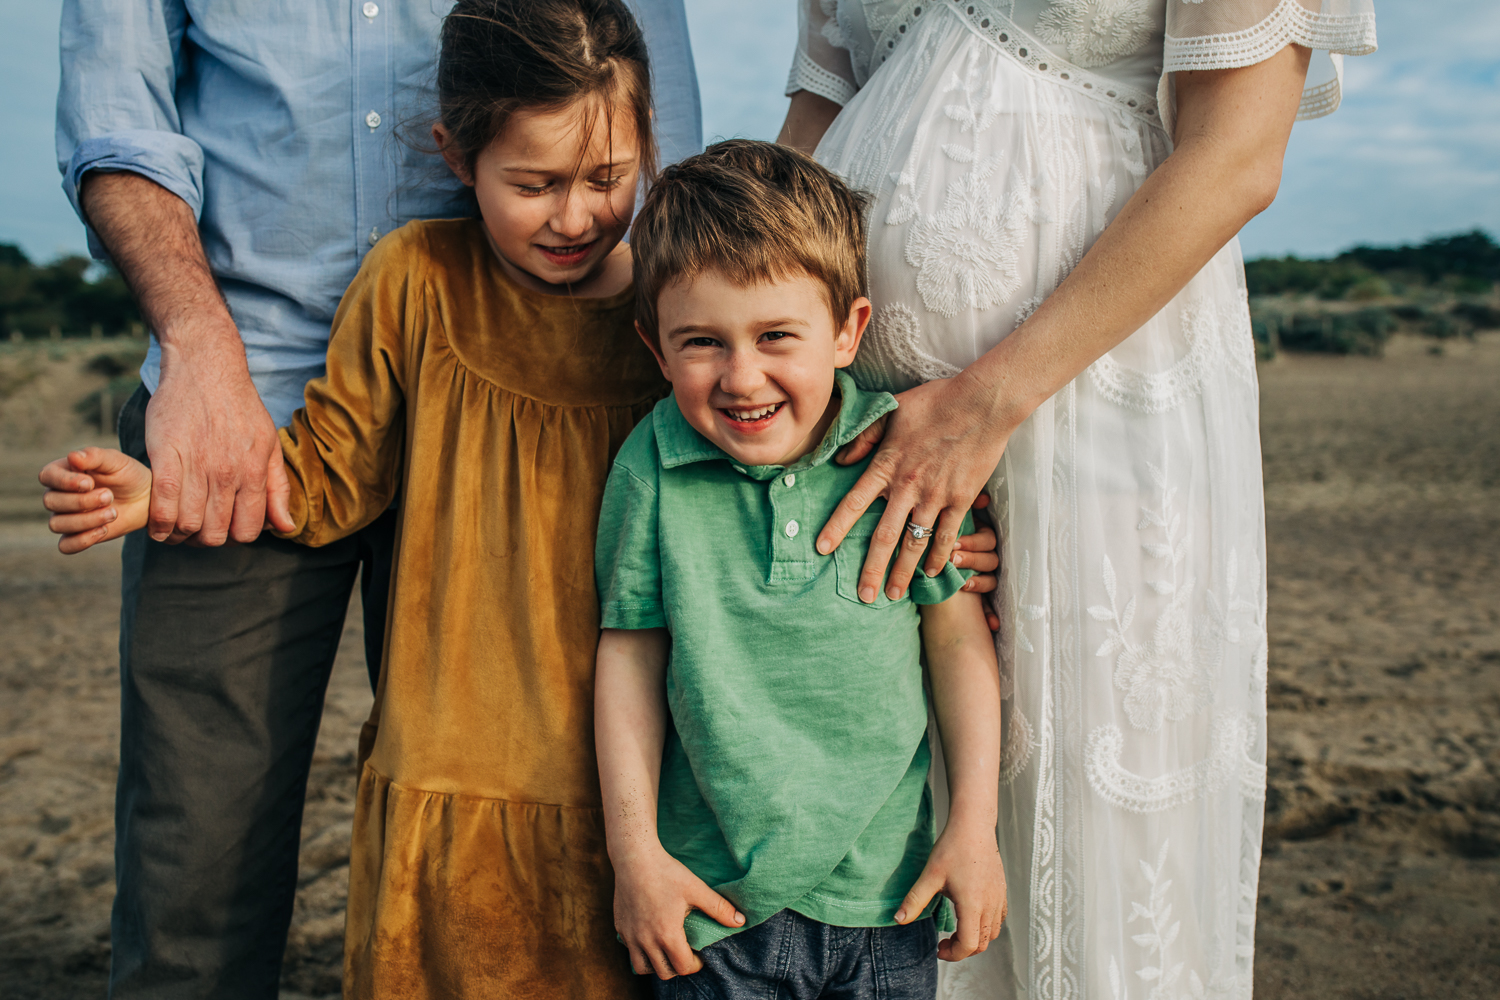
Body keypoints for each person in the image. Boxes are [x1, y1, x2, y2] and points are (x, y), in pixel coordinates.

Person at [53, 0, 700, 995]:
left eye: (595, 184)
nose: (575, 208)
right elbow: (117, 116)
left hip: (513, 411)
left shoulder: (596, 227)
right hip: (243, 402)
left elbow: (661, 141)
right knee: (196, 859)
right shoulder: (394, 285)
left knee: (563, 792)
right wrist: (199, 352)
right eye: (538, 184)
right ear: (452, 152)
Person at [777, 1, 1378, 997]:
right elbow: (814, 122)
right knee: (892, 835)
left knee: (1083, 838)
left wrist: (982, 405)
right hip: (863, 434)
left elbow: (1235, 152)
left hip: (1095, 406)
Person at [593, 139, 1007, 998]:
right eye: (702, 342)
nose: (743, 377)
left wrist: (974, 826)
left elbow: (957, 643)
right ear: (656, 347)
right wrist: (635, 855)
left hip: (888, 906)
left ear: (849, 330)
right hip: (714, 912)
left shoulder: (901, 458)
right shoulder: (650, 471)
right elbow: (630, 656)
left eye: (776, 335)